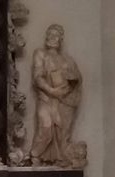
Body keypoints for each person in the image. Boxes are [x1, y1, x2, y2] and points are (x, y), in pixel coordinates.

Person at [28, 24, 81, 167]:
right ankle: (35, 156)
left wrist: (68, 86)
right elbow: (37, 77)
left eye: (55, 35)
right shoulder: (40, 53)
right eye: (49, 34)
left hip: (62, 101)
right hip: (46, 98)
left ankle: (58, 159)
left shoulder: (67, 60)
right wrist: (52, 91)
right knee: (45, 128)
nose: (52, 37)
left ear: (60, 39)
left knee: (61, 132)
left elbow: (76, 79)